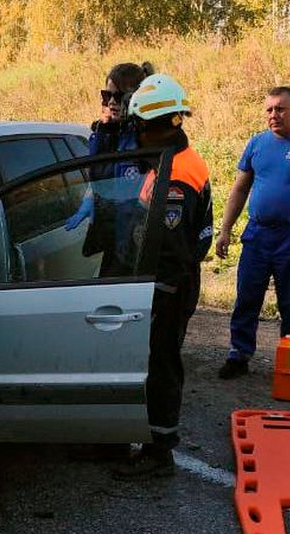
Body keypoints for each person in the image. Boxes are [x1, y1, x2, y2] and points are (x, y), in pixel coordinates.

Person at [108, 74, 213, 479]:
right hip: (165, 282)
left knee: (161, 365)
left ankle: (159, 451)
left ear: (167, 124)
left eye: (143, 128)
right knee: (157, 362)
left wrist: (155, 298)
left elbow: (171, 250)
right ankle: (150, 441)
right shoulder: (171, 162)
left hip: (167, 286)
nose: (137, 136)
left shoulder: (178, 176)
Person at [214, 86, 290, 379]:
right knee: (247, 296)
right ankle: (239, 354)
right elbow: (240, 188)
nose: (273, 115)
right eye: (269, 109)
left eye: (280, 108)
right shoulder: (257, 143)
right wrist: (225, 229)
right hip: (257, 234)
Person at [66, 62, 153, 279]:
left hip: (134, 237)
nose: (111, 102)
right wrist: (89, 199)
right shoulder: (103, 133)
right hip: (110, 233)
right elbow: (97, 176)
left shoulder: (145, 139)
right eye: (106, 96)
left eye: (118, 96)